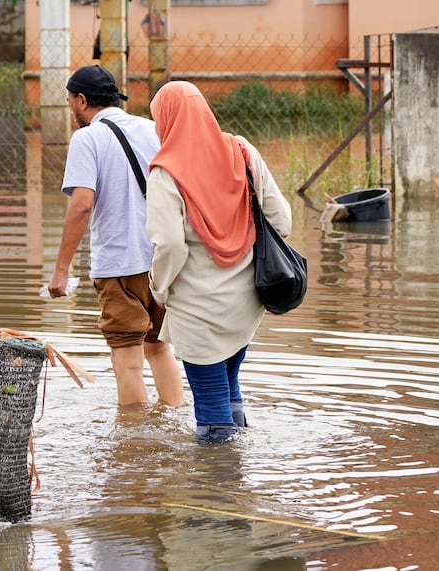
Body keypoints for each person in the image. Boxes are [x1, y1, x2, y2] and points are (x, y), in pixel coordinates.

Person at [146, 81, 293, 443]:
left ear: (167, 120)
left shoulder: (166, 172)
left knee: (212, 411)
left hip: (200, 311)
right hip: (247, 302)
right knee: (230, 389)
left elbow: (170, 247)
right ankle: (238, 485)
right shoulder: (241, 151)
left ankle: (215, 491)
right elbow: (283, 221)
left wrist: (158, 288)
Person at [49, 64, 184, 409]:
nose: (70, 110)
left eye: (69, 102)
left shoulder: (87, 138)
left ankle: (133, 444)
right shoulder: (153, 129)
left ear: (81, 100)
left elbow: (81, 206)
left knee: (127, 358)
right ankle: (175, 415)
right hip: (163, 260)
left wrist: (61, 270)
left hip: (119, 265)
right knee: (158, 346)